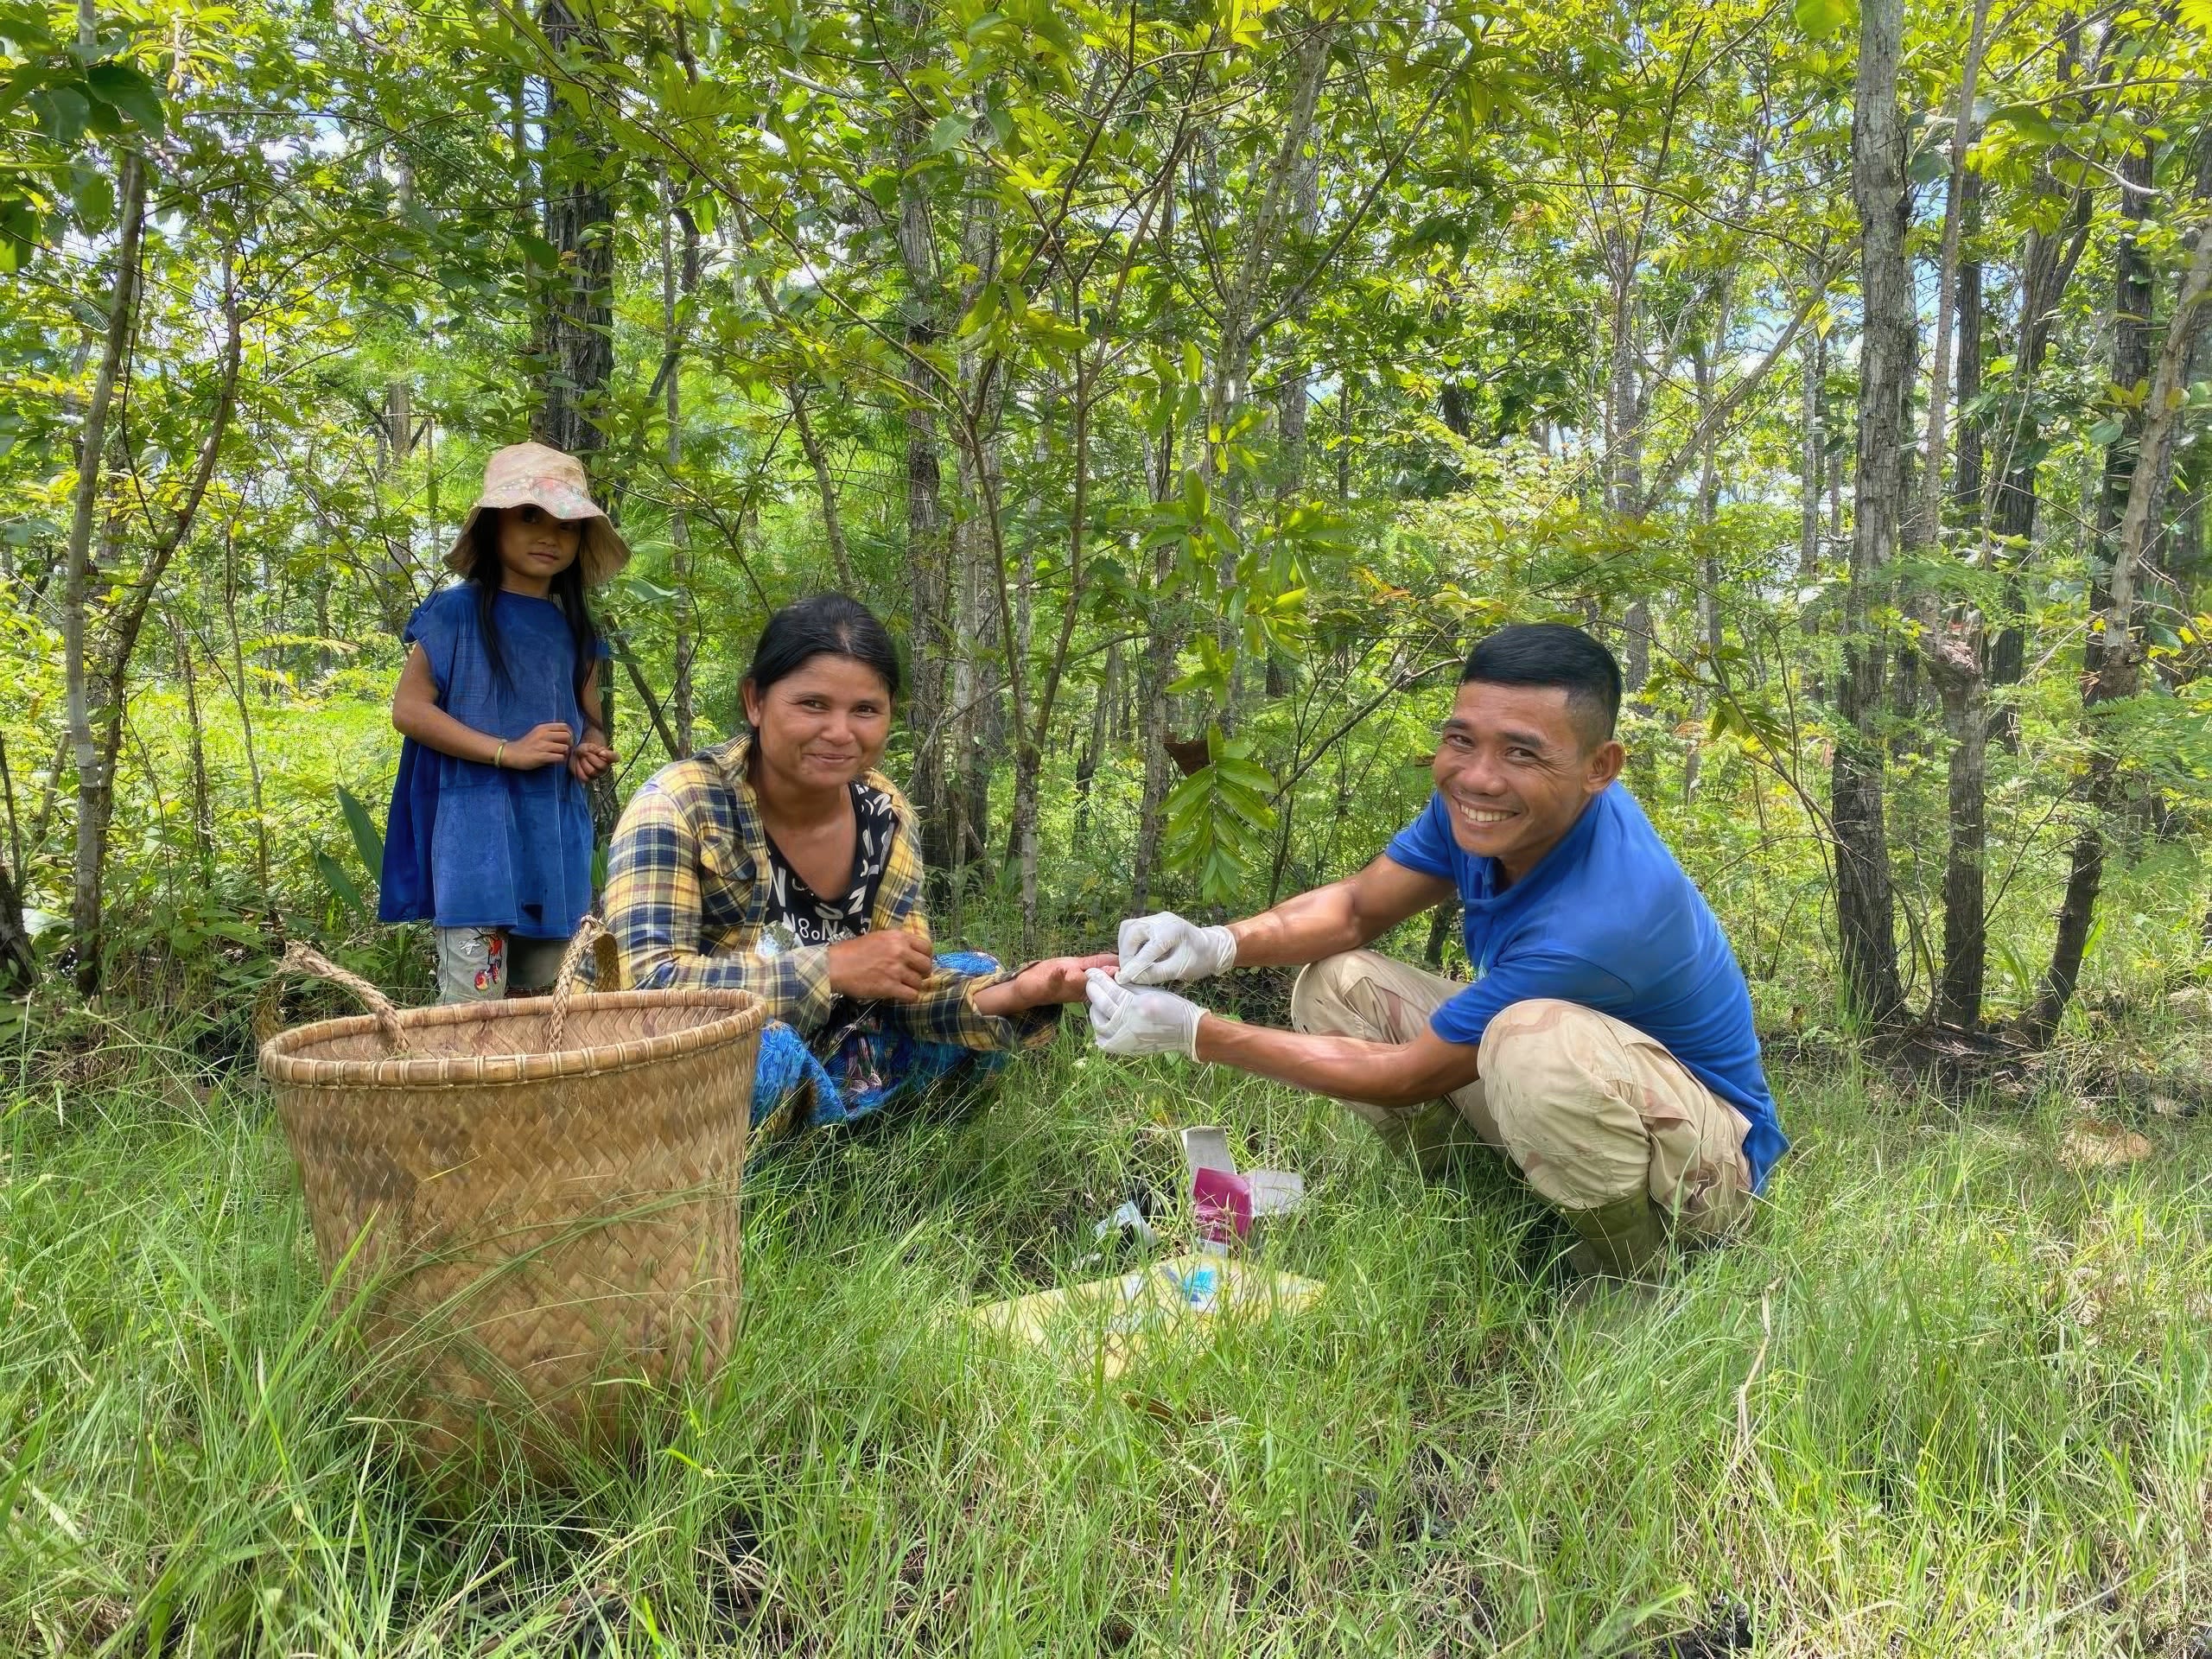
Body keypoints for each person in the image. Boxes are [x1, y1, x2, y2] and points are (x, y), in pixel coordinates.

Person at [1087, 623, 1787, 1279]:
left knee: (1531, 1043)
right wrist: (1216, 944)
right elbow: (1357, 909)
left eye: (1522, 752)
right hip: (1588, 1094)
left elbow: (1408, 1075)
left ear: (1599, 766)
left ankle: (1636, 1270)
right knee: (1336, 984)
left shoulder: (1610, 915)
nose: (1478, 777)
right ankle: (1478, 1207)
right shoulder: (1496, 813)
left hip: (1703, 1166)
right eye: (1461, 740)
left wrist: (1196, 1033)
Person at [601, 593, 1110, 1138]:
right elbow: (647, 992)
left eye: (865, 710)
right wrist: (832, 967)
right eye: (812, 704)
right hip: (680, 1067)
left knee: (977, 971)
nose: (841, 732)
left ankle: (867, 1138)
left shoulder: (883, 815)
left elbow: (904, 987)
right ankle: (799, 1146)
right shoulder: (679, 805)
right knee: (768, 1051)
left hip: (834, 1040)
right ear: (755, 701)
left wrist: (1022, 991)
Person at [378, 442, 621, 1003]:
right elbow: (409, 710)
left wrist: (589, 749)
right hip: (477, 845)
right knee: (475, 1014)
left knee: (544, 1005)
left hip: (551, 841)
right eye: (530, 516)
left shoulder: (576, 632)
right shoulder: (456, 614)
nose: (550, 535)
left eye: (567, 525)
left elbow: (590, 723)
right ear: (494, 527)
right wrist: (506, 751)